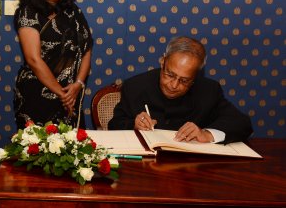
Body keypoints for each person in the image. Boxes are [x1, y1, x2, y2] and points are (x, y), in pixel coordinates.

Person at [108, 36, 253, 143]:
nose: (174, 85)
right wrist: (134, 124)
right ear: (163, 61)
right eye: (170, 74)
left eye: (184, 80)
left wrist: (207, 134)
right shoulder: (135, 86)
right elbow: (114, 124)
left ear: (195, 76)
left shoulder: (208, 90)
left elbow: (242, 123)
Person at [13, 0, 93, 129]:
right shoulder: (28, 13)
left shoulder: (73, 11)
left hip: (71, 96)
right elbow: (33, 60)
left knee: (74, 153)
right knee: (38, 154)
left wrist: (77, 85)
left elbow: (87, 49)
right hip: (38, 98)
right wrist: (62, 94)